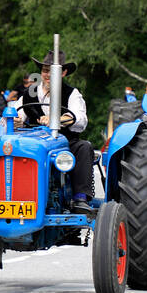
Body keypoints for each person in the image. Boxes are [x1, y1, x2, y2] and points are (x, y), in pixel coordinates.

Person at [16, 48, 95, 213]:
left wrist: (56, 120)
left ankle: (80, 198)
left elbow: (80, 120)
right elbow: (16, 114)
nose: (47, 75)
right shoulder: (29, 93)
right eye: (45, 70)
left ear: (63, 72)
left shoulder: (72, 94)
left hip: (64, 144)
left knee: (84, 147)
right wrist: (15, 121)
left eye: (52, 71)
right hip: (34, 143)